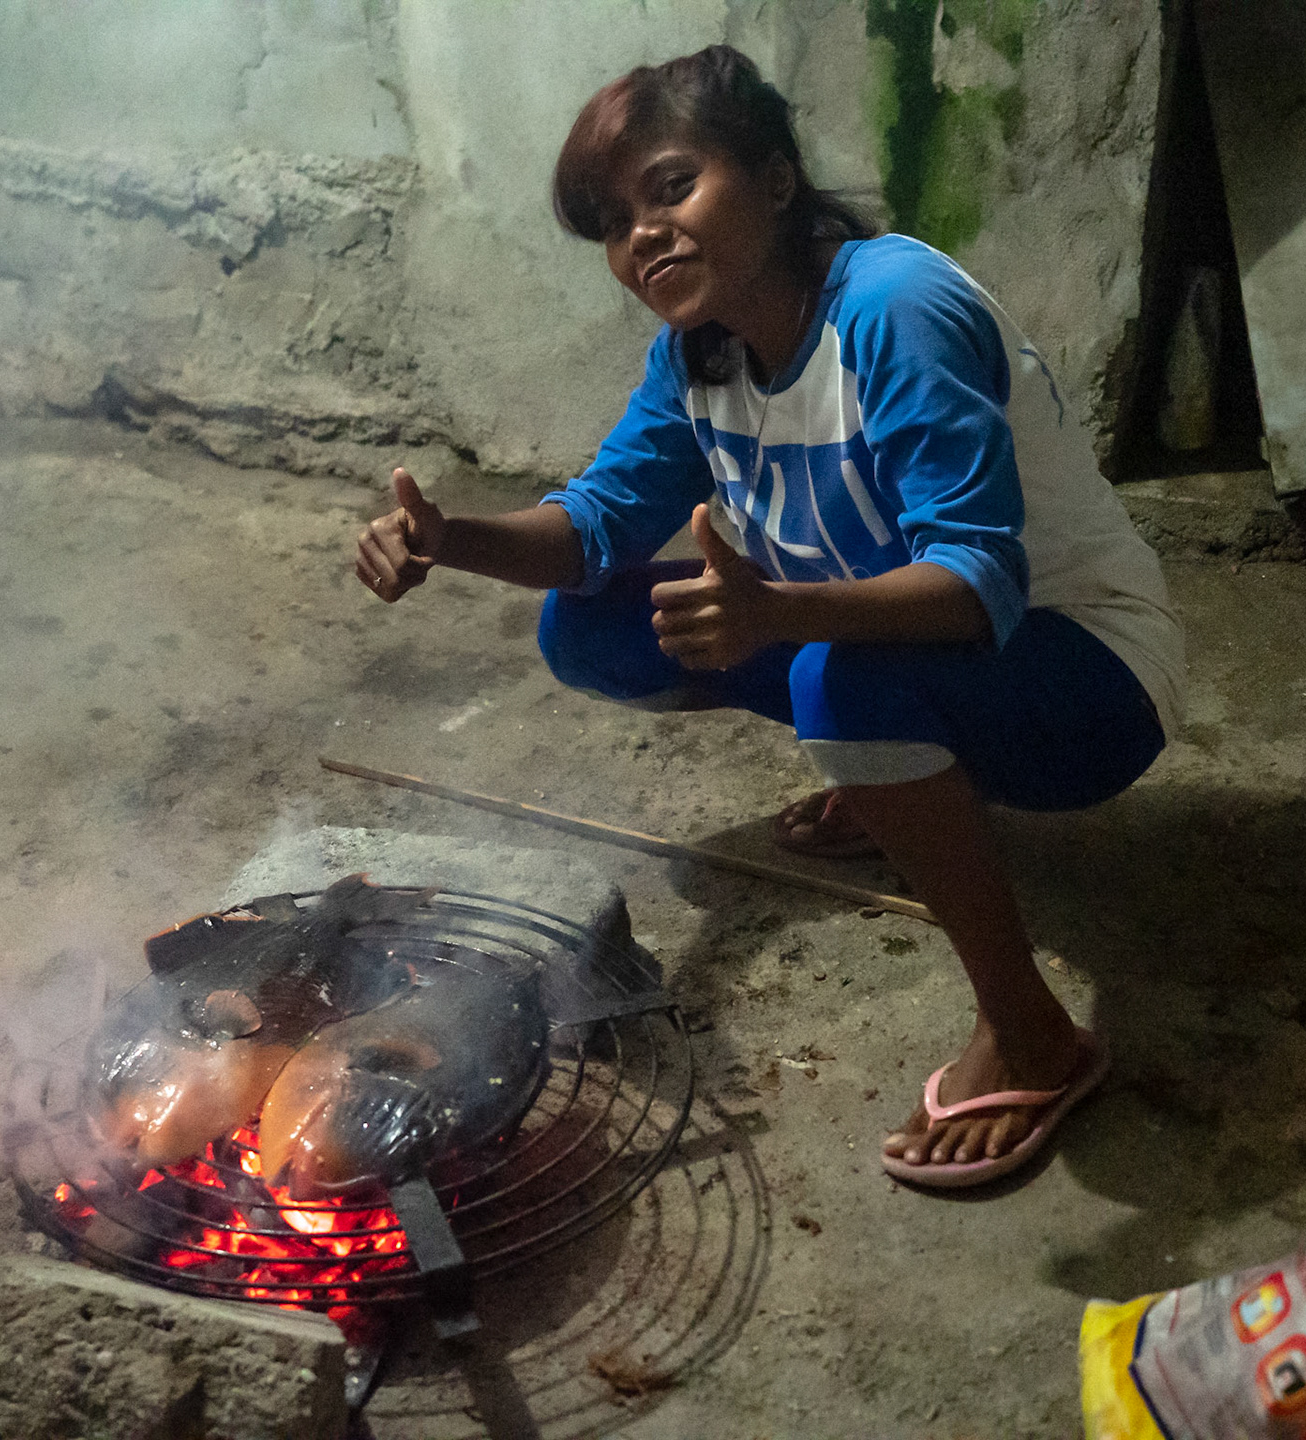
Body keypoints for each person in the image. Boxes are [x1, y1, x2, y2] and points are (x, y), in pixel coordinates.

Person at [353, 45, 1185, 1189]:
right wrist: (450, 538)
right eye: (610, 219)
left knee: (835, 682)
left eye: (672, 186)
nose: (641, 234)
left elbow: (982, 580)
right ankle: (892, 767)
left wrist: (777, 611)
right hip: (907, 645)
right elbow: (595, 528)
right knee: (586, 625)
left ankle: (1036, 1038)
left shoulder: (894, 307)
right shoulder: (701, 357)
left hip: (1088, 680)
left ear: (779, 179)